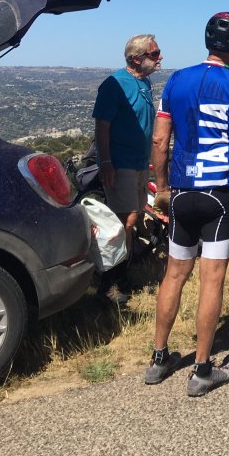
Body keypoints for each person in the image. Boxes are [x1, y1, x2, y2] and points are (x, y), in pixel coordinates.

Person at [144, 12, 229, 396]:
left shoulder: (176, 79)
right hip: (220, 193)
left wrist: (162, 185)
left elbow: (161, 142)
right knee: (212, 279)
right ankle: (201, 369)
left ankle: (159, 358)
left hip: (182, 190)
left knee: (174, 275)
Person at [91, 34, 162, 304]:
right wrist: (106, 162)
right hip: (120, 164)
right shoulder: (114, 84)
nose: (160, 58)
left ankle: (122, 274)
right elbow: (102, 126)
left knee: (131, 219)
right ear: (136, 58)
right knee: (124, 221)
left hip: (139, 163)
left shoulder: (143, 83)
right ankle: (109, 282)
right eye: (154, 54)